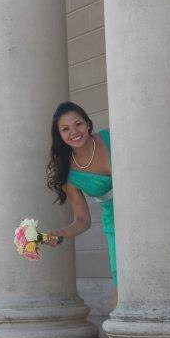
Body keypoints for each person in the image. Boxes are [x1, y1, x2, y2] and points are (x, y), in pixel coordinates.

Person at [42, 102, 117, 306]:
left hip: (144, 208)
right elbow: (83, 220)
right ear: (59, 135)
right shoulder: (69, 174)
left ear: (87, 123)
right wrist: (59, 233)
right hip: (116, 223)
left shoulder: (112, 137)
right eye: (65, 129)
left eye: (78, 124)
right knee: (122, 279)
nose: (74, 132)